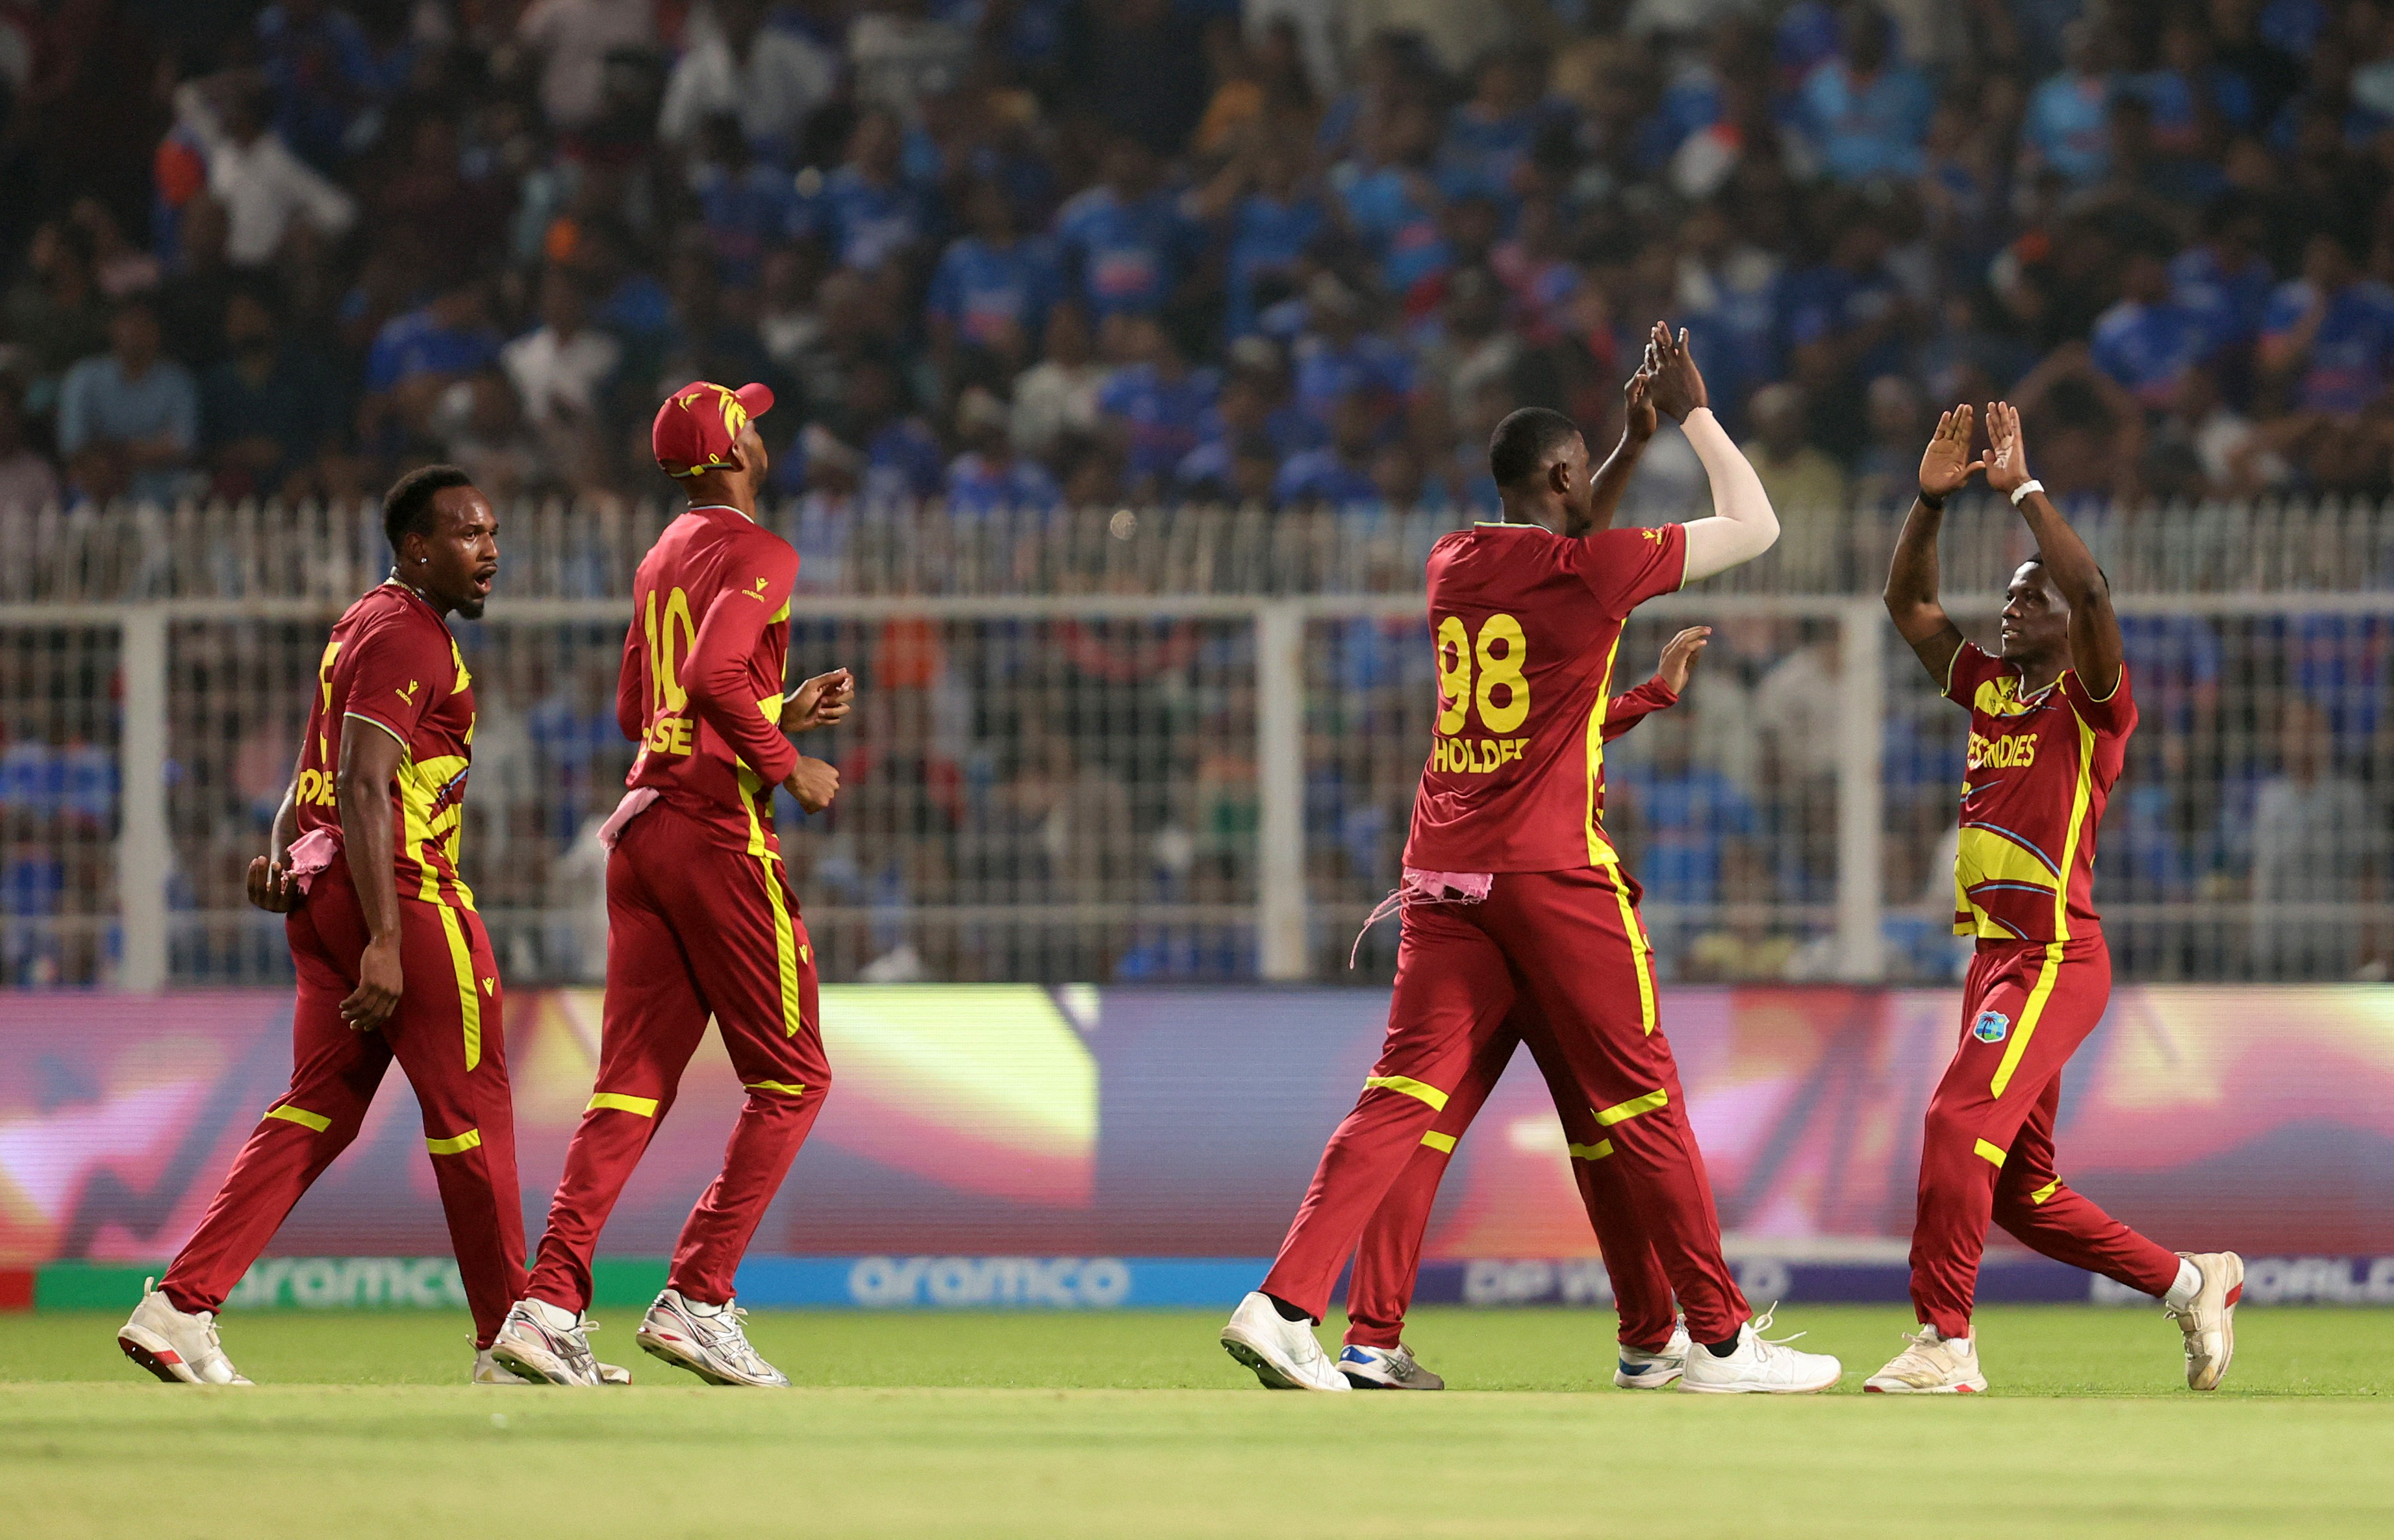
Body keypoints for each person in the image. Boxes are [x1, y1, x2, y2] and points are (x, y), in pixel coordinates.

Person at [1220, 325, 1841, 1395]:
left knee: (1403, 1101)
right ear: (1562, 476)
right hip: (1554, 878)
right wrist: (1690, 412)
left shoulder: (1452, 562)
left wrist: (1625, 451)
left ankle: (1290, 1307)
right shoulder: (1596, 573)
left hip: (1443, 879)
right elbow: (1757, 522)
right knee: (1641, 1106)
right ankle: (1722, 1343)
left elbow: (1562, 556)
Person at [114, 467, 620, 1387]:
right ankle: (516, 1339)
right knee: (473, 1115)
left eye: (493, 532)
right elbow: (358, 778)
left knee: (318, 1108)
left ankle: (180, 1306)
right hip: (402, 896)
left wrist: (283, 851)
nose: (490, 550)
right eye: (468, 535)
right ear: (416, 548)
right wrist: (386, 934)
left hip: (326, 894)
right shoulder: (408, 635)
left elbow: (315, 764)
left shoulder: (364, 620)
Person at [1873, 401, 2243, 1394]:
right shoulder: (1991, 687)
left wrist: (2025, 493)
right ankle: (2190, 1280)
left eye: (2030, 597)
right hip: (1992, 956)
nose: (2012, 605)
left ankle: (1944, 1341)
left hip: (2051, 956)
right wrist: (1927, 503)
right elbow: (1907, 607)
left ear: (2073, 622)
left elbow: (2085, 581)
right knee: (2022, 1191)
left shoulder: (2093, 703)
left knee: (1956, 1124)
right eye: (2008, 595)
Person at [494, 381, 853, 1389]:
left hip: (642, 829)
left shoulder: (662, 555)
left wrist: (780, 702)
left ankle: (547, 1304)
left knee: (631, 1084)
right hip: (713, 836)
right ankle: (699, 1295)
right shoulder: (760, 550)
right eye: (751, 418)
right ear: (731, 443)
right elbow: (706, 675)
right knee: (793, 1075)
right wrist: (787, 760)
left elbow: (636, 705)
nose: (763, 426)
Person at [1335, 624, 1717, 1391]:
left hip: (1468, 915)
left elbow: (1573, 728)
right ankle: (1659, 1339)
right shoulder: (1555, 628)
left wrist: (1650, 694)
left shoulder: (1497, 691)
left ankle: (1371, 1338)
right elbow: (1569, 730)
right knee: (1616, 1125)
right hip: (1546, 917)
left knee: (1425, 1124)